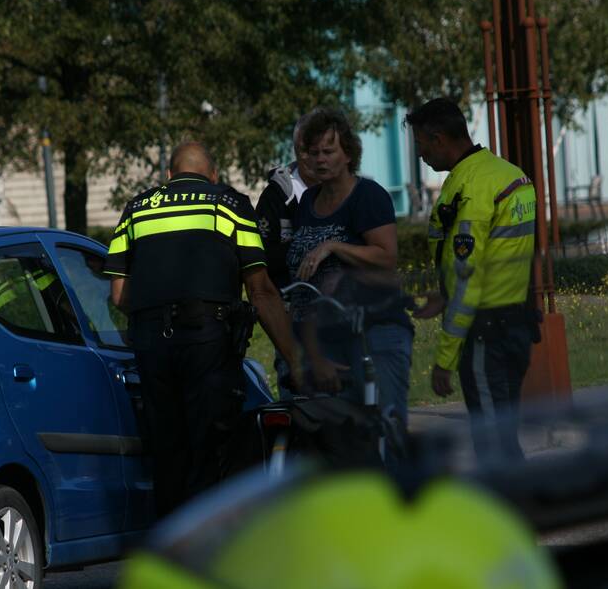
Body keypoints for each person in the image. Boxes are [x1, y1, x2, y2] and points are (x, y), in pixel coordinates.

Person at [104, 141, 300, 517]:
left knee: (167, 450)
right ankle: (208, 549)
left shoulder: (136, 209)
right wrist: (296, 361)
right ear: (213, 175)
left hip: (151, 344)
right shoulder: (229, 204)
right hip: (208, 341)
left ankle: (170, 548)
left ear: (168, 176)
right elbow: (260, 290)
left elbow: (118, 295)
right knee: (211, 447)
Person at [406, 97, 537, 461]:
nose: (420, 155)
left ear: (439, 138)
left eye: (420, 144)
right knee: (504, 434)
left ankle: (515, 513)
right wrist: (444, 294)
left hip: (486, 335)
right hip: (518, 327)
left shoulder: (469, 189)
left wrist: (444, 359)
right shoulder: (510, 175)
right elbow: (499, 263)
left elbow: (468, 280)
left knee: (494, 446)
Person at [285, 108, 413, 428]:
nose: (320, 160)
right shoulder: (307, 201)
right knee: (334, 436)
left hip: (373, 332)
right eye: (313, 153)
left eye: (329, 151)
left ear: (348, 154)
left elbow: (387, 257)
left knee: (384, 430)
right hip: (325, 337)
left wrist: (333, 246)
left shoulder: (367, 195)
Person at [255, 111, 319, 394]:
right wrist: (306, 250)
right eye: (307, 150)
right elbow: (260, 257)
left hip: (340, 317)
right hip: (292, 318)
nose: (315, 159)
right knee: (298, 406)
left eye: (325, 151)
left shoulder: (351, 190)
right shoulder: (277, 195)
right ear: (297, 149)